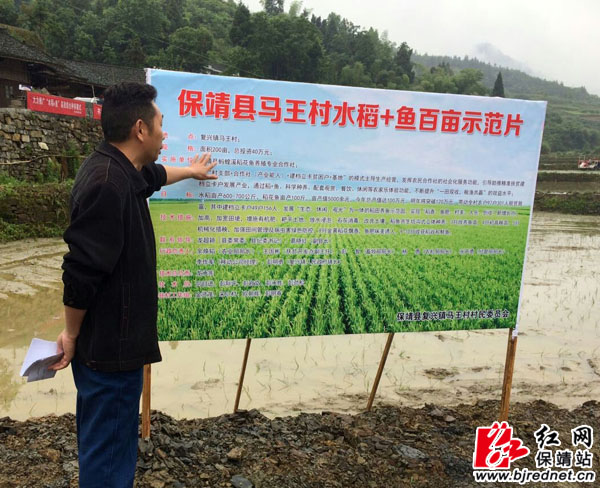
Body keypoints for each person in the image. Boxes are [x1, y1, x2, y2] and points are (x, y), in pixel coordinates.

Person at [50, 81, 217, 487]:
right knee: (108, 458)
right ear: (141, 129)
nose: (164, 133)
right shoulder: (108, 185)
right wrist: (70, 334)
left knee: (109, 445)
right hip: (110, 353)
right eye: (160, 124)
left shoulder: (120, 169)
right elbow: (81, 272)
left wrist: (192, 171)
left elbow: (155, 176)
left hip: (113, 348)